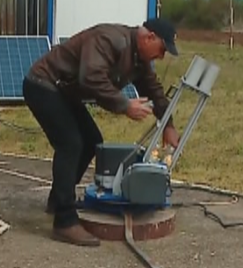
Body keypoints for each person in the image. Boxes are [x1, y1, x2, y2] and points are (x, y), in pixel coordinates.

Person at [22, 18, 181, 247]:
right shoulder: (110, 40)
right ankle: (64, 221)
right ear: (149, 38)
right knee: (71, 144)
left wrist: (169, 125)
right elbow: (91, 77)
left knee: (92, 141)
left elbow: (153, 90)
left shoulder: (139, 58)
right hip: (43, 85)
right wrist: (125, 105)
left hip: (63, 92)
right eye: (162, 50)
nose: (162, 57)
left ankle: (58, 199)